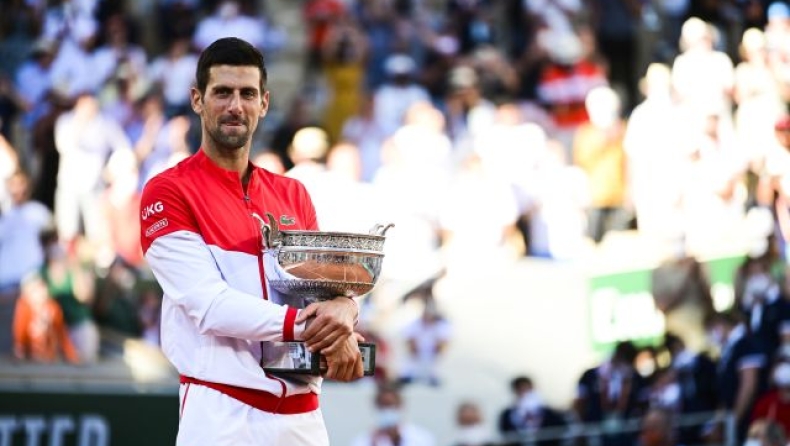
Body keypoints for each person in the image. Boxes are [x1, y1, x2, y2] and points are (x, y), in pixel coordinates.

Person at [138, 37, 364, 446]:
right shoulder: (168, 190)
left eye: (247, 94)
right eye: (222, 92)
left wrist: (345, 310)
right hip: (221, 414)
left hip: (303, 418)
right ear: (197, 100)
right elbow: (210, 306)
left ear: (264, 103)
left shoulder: (293, 193)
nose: (235, 106)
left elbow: (321, 290)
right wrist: (319, 326)